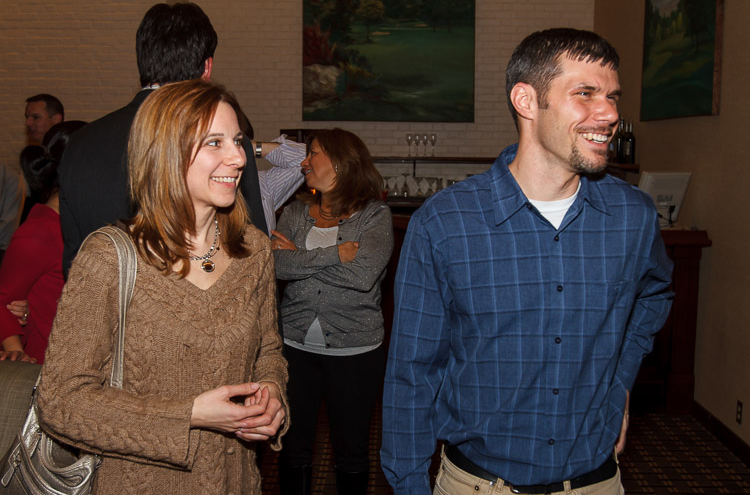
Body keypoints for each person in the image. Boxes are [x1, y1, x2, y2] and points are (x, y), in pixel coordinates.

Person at [381, 28, 674, 495]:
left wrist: (620, 383)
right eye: (586, 94)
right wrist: (409, 485)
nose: (610, 114)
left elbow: (654, 295)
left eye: (612, 97)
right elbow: (412, 374)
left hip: (597, 483)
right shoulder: (445, 223)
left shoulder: (632, 216)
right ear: (527, 101)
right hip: (478, 485)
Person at [37, 80, 288, 494]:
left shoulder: (254, 251)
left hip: (236, 481)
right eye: (215, 142)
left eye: (237, 141)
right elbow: (60, 402)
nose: (239, 157)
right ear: (166, 153)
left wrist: (272, 393)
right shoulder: (109, 259)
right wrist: (189, 415)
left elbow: (269, 351)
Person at [58, 2, 267, 279]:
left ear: (143, 60)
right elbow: (251, 259)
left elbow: (74, 260)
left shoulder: (79, 143)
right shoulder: (228, 146)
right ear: (207, 68)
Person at [271, 128, 393, 495]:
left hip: (355, 351)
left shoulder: (374, 216)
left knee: (351, 451)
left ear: (340, 162)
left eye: (314, 153)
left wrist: (300, 256)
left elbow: (363, 276)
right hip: (294, 348)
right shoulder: (295, 211)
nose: (304, 162)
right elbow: (276, 265)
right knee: (292, 447)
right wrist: (336, 254)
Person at [0, 121, 86, 364]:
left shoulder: (80, 222)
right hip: (51, 367)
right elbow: (4, 301)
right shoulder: (39, 232)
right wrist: (17, 354)